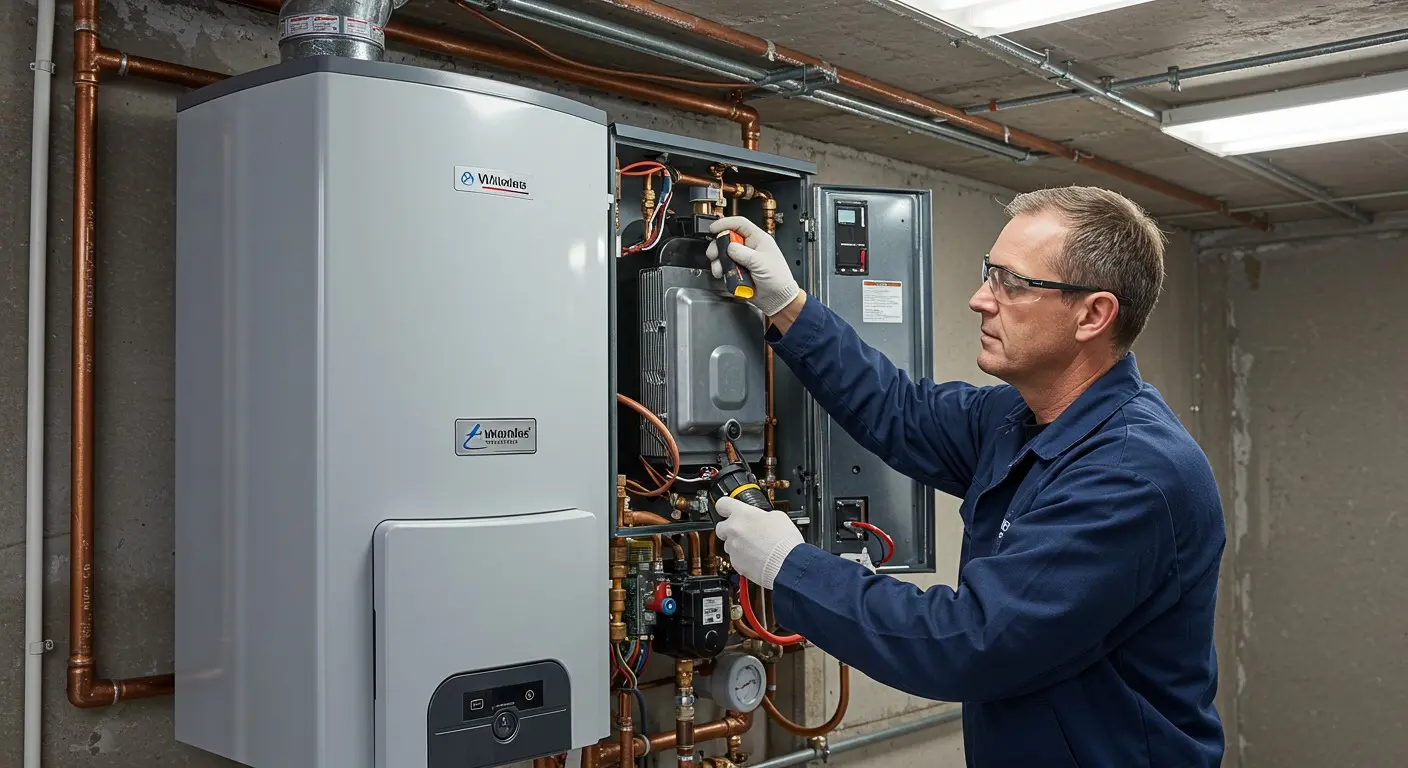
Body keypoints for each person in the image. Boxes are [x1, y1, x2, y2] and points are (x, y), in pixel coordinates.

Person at [706, 186, 1225, 767]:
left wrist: (790, 566)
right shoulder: (1018, 417)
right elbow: (899, 411)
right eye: (989, 273)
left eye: (1013, 283)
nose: (981, 299)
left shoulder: (1131, 477)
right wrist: (788, 306)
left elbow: (970, 641)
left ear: (1094, 314)